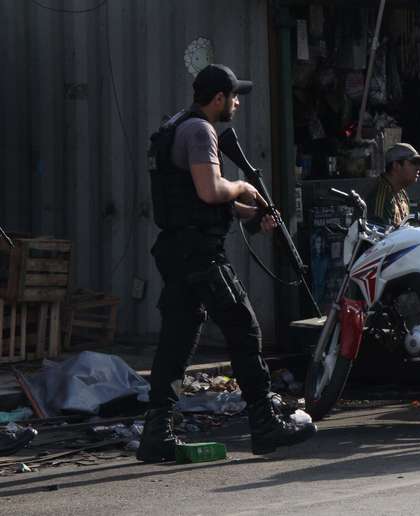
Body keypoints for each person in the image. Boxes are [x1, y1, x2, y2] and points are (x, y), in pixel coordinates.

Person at [139, 64, 316, 462]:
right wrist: (245, 186)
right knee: (244, 329)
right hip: (200, 254)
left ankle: (156, 434)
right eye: (234, 96)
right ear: (218, 98)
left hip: (178, 249)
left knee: (176, 340)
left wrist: (248, 214)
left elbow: (193, 199)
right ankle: (264, 424)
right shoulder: (200, 131)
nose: (237, 103)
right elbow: (210, 189)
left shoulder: (175, 126)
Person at [368, 143, 420, 226]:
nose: (419, 168)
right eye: (413, 163)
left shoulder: (401, 193)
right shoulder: (381, 196)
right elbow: (379, 236)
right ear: (396, 165)